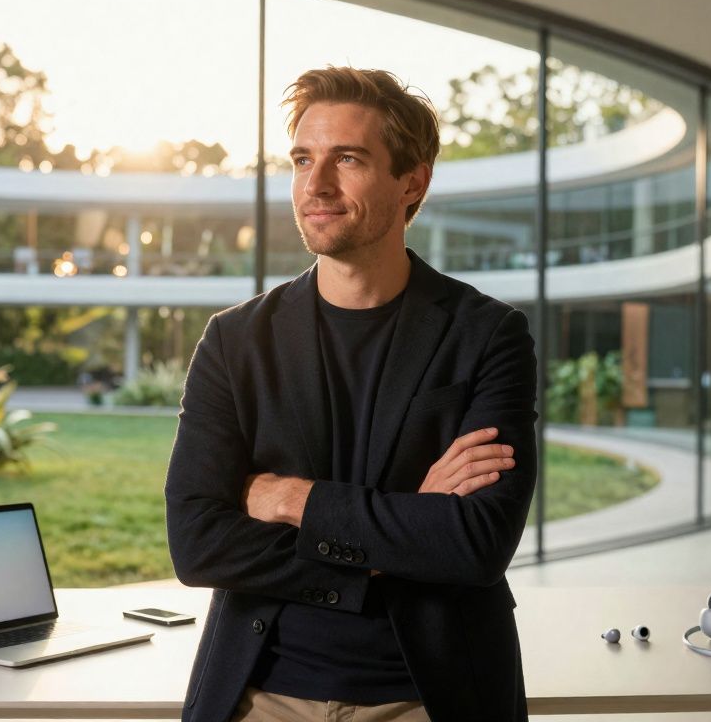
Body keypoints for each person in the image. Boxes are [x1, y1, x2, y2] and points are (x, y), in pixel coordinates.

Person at [165, 66, 538, 721]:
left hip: (428, 696)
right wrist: (403, 525)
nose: (316, 184)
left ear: (411, 181)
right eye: (303, 160)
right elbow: (199, 543)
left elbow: (476, 542)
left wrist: (289, 498)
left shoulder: (489, 336)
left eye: (348, 159)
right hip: (263, 693)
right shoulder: (234, 341)